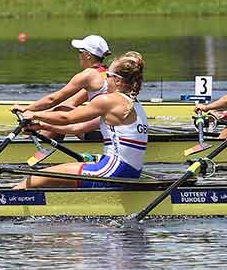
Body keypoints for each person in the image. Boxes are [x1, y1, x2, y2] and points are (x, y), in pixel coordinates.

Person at [15, 51, 149, 189]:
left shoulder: (108, 101)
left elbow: (67, 117)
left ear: (118, 81)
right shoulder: (135, 105)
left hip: (112, 171)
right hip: (131, 172)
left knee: (36, 178)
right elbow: (76, 129)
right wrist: (42, 126)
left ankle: (7, 201)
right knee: (57, 179)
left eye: (107, 75)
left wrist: (33, 114)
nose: (104, 79)